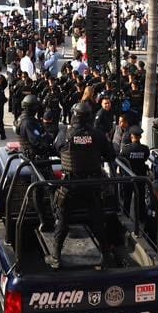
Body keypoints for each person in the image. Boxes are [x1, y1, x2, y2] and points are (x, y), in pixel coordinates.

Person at [50, 101, 112, 269]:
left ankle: (56, 256)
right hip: (92, 184)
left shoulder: (65, 134)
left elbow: (56, 148)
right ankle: (106, 255)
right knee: (97, 220)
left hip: (70, 185)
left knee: (62, 219)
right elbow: (111, 155)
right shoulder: (98, 135)